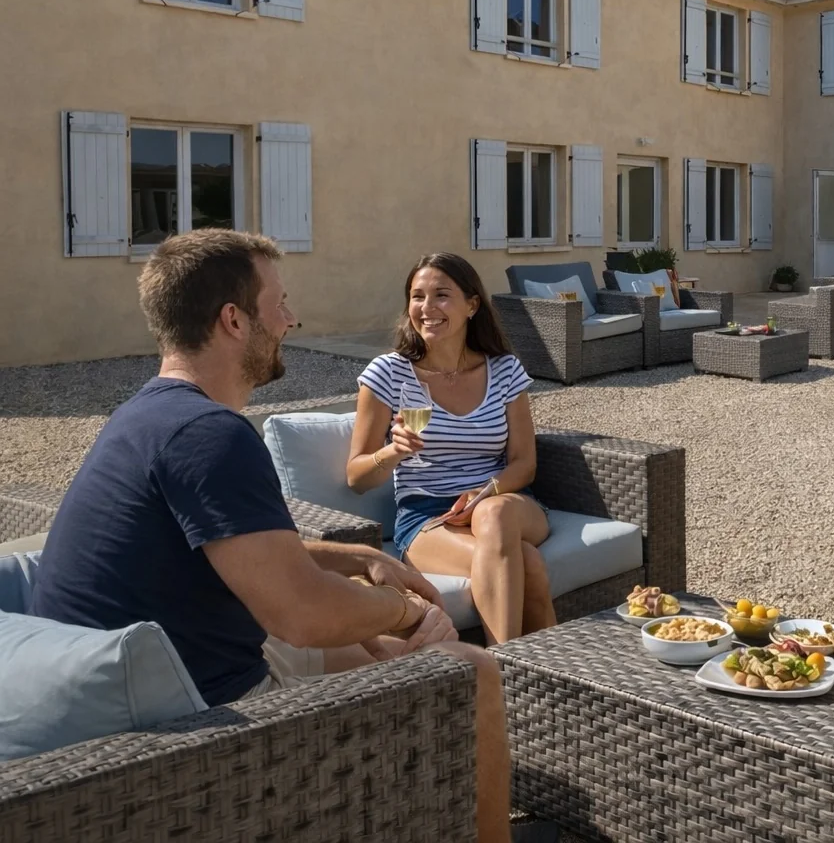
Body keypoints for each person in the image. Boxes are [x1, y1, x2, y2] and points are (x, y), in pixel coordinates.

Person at [28, 230, 510, 843]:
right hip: (192, 718)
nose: (291, 318)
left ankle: (424, 798)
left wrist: (357, 556)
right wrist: (404, 611)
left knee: (374, 654)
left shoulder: (149, 414)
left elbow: (228, 548)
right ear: (233, 320)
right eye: (278, 303)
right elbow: (303, 614)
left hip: (151, 672)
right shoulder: (209, 435)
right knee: (473, 672)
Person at [347, 253, 553, 644]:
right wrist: (394, 451)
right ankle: (541, 675)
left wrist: (482, 495)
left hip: (506, 501)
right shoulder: (388, 373)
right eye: (417, 296)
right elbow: (356, 476)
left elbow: (524, 464)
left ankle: (499, 670)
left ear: (472, 305)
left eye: (441, 295)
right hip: (428, 516)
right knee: (526, 563)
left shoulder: (504, 369)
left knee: (493, 516)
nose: (427, 308)